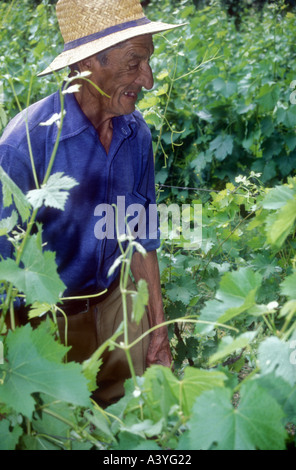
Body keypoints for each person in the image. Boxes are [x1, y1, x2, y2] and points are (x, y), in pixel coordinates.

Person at [0, 0, 183, 407]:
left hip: (116, 302)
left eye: (148, 61)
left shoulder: (136, 134)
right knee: (62, 425)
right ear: (86, 65)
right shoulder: (25, 145)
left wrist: (158, 330)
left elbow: (142, 236)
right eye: (134, 63)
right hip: (47, 320)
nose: (148, 80)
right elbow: (5, 273)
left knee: (132, 417)